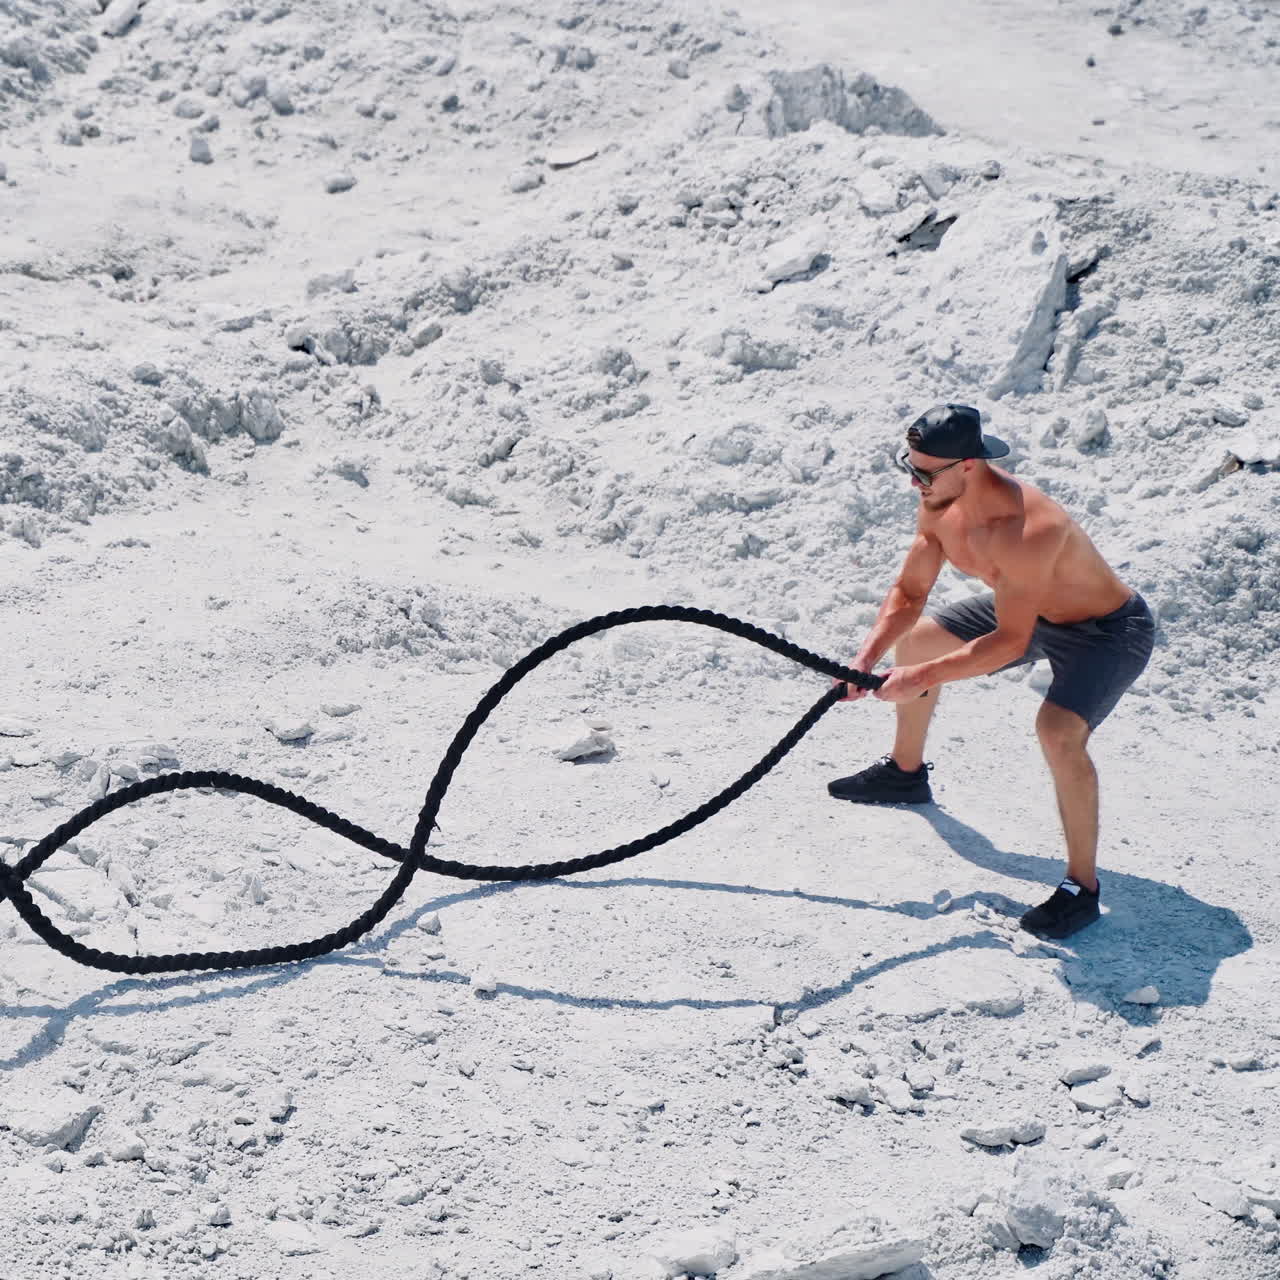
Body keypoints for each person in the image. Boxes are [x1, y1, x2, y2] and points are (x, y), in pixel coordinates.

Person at [828, 403, 1155, 940]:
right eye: (907, 467)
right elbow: (910, 592)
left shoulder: (1029, 529)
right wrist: (865, 662)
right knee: (919, 638)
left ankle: (1082, 890)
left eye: (924, 472)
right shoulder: (939, 499)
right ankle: (905, 775)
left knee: (1057, 732)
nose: (914, 483)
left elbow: (1009, 642)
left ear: (970, 465)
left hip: (1106, 631)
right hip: (1031, 609)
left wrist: (920, 677)